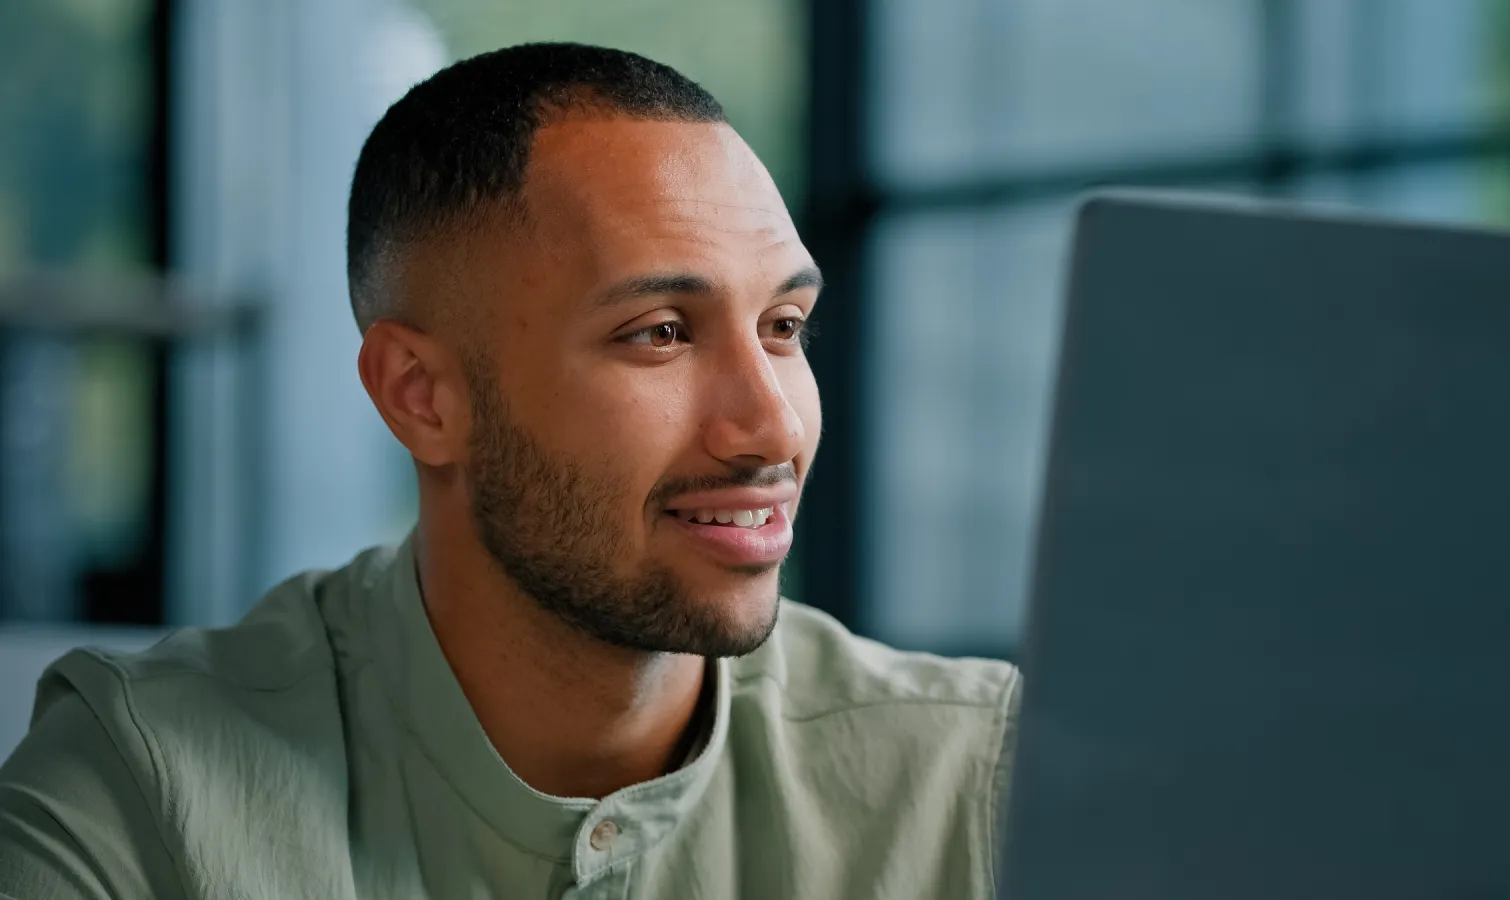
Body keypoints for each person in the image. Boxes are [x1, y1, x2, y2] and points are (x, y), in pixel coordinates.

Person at [0, 43, 1019, 899]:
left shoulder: (985, 782)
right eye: (660, 333)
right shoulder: (142, 791)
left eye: (783, 326)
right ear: (421, 395)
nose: (769, 424)